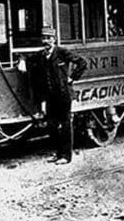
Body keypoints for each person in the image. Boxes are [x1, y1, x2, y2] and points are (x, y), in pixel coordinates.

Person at [23, 26, 87, 164]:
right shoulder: (40, 55)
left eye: (49, 38)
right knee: (52, 125)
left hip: (63, 95)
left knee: (65, 125)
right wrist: (22, 61)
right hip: (50, 96)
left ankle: (66, 156)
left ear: (54, 39)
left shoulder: (62, 52)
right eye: (44, 38)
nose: (46, 41)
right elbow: (28, 59)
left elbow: (82, 62)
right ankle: (57, 153)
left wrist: (72, 78)